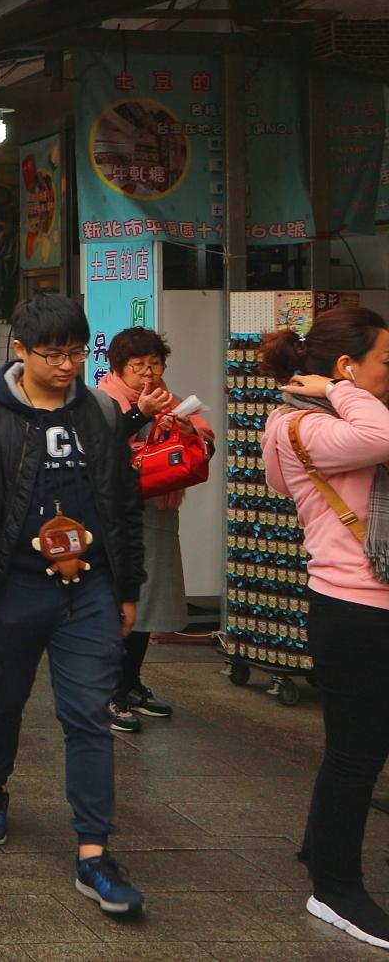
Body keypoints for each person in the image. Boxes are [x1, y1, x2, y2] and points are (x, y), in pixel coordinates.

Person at [0, 293, 165, 917]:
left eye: (74, 353)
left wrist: (127, 589)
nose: (66, 366)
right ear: (20, 351)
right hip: (13, 587)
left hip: (88, 588)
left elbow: (122, 503)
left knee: (88, 714)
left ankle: (94, 855)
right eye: (52, 354)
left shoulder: (97, 410)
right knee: (3, 700)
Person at [261, 308, 389, 950]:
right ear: (346, 367)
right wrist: (342, 393)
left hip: (367, 605)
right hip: (354, 608)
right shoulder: (306, 425)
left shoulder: (330, 421)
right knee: (355, 753)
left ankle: (321, 846)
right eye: (384, 362)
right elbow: (383, 440)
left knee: (364, 746)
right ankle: (334, 887)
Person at [97, 327, 213, 734]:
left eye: (155, 364)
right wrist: (140, 415)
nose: (148, 373)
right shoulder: (103, 399)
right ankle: (108, 690)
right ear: (117, 368)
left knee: (150, 605)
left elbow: (204, 440)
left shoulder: (171, 399)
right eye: (137, 366)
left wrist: (185, 429)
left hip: (160, 510)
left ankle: (130, 683)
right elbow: (97, 447)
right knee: (121, 605)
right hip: (117, 515)